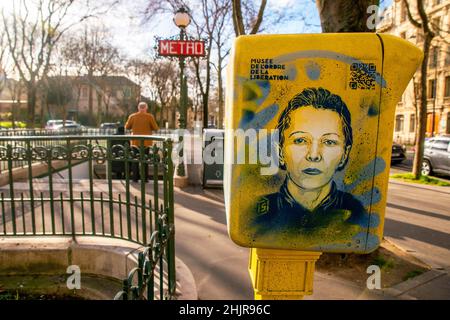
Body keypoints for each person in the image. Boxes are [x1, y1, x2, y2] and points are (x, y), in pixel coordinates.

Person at [252, 87, 367, 236]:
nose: (314, 155)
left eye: (329, 142)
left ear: (344, 154)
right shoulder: (256, 213)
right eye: (300, 140)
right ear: (280, 151)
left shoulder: (357, 213)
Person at [125, 102, 159, 182]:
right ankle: (145, 178)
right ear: (146, 108)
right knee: (145, 160)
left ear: (138, 108)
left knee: (135, 160)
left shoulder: (132, 116)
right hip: (146, 142)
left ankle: (135, 178)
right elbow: (156, 128)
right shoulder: (150, 117)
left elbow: (127, 127)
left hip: (135, 142)